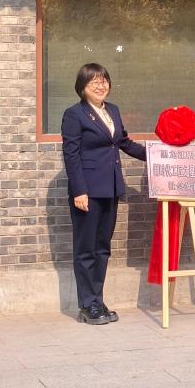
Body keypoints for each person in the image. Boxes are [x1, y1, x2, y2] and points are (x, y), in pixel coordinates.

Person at [61, 63, 146, 324]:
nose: (101, 86)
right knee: (86, 249)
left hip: (110, 189)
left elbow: (123, 143)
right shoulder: (74, 114)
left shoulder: (113, 111)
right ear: (82, 87)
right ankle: (87, 305)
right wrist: (79, 190)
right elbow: (71, 155)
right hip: (87, 192)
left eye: (104, 80)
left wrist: (157, 155)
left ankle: (97, 300)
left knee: (102, 249)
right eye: (94, 82)